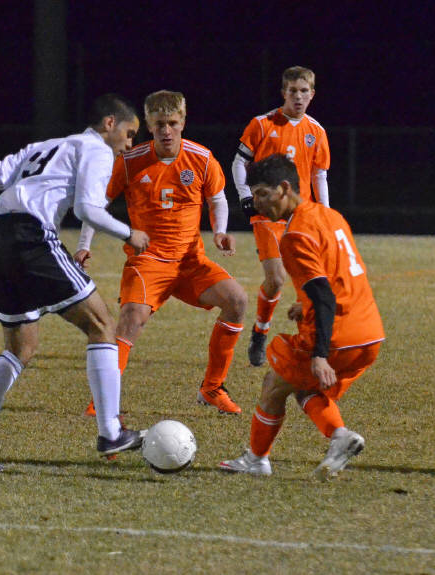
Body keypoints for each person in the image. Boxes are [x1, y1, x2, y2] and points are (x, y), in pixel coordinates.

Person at [0, 93, 150, 471]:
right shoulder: (97, 150)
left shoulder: (44, 146)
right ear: (110, 123)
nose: (130, 144)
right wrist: (130, 233)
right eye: (129, 134)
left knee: (20, 349)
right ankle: (110, 431)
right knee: (102, 326)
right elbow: (87, 208)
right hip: (32, 238)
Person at [78, 90, 247, 415]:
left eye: (172, 123)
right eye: (159, 124)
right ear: (148, 125)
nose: (166, 130)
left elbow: (217, 199)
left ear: (182, 121)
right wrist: (84, 245)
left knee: (237, 300)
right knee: (131, 318)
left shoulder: (201, 158)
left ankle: (212, 388)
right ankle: (102, 402)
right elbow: (97, 205)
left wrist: (220, 231)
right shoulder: (129, 161)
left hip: (190, 262)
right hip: (148, 262)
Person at [220, 154, 384, 479]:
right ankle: (338, 437)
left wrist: (320, 355)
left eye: (263, 194)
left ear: (285, 188)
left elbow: (324, 296)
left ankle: (258, 459)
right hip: (370, 333)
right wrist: (303, 302)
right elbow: (335, 276)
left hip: (337, 335)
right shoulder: (330, 216)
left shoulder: (294, 236)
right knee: (302, 386)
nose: (257, 204)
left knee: (274, 383)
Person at [232, 66, 331, 366]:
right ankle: (260, 332)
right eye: (292, 91)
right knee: (276, 279)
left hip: (300, 216)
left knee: (308, 283)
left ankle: (309, 345)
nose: (298, 97)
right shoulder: (262, 124)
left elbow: (319, 175)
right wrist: (246, 196)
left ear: (312, 94)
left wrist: (324, 213)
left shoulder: (316, 131)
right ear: (283, 93)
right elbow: (239, 163)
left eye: (304, 91)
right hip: (267, 212)